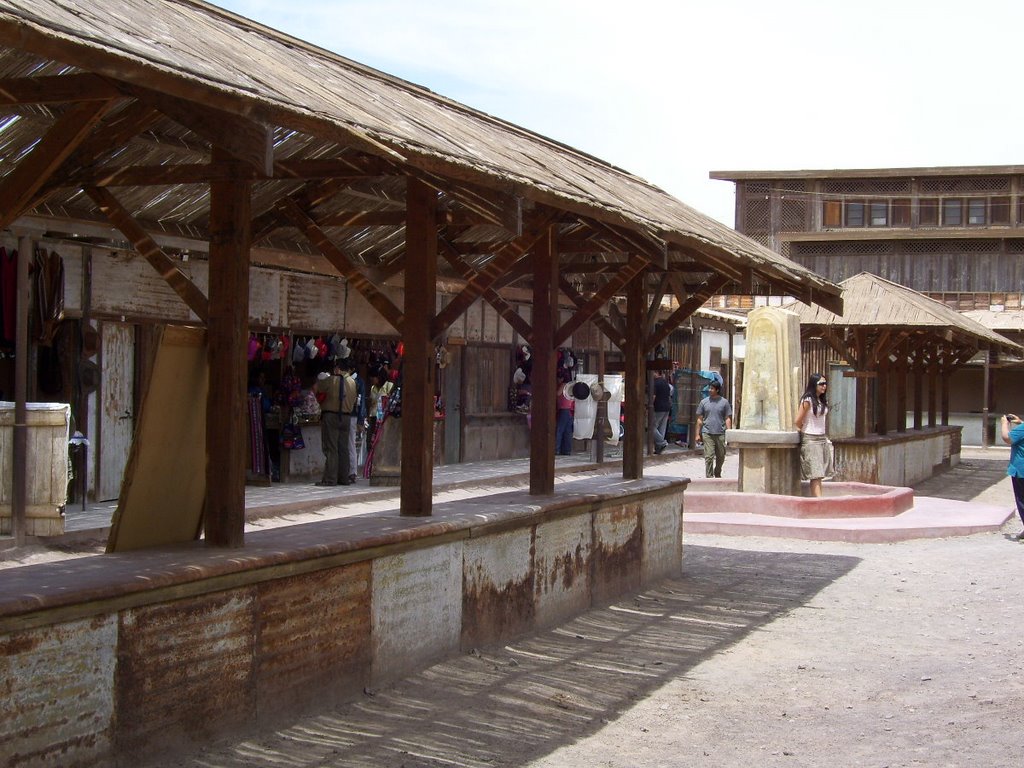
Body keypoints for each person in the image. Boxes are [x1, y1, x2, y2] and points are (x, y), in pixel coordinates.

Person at [794, 372, 834, 497]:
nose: (824, 386)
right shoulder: (807, 400)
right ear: (814, 384)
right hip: (810, 439)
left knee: (820, 473)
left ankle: (818, 499)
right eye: (821, 383)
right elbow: (797, 420)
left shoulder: (821, 400)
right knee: (815, 473)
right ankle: (818, 501)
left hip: (821, 438)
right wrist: (803, 430)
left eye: (825, 383)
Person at [312, 364, 347, 486]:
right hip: (346, 415)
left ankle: (330, 478)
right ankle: (343, 477)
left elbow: (316, 388)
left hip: (331, 415)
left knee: (331, 447)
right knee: (343, 448)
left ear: (338, 369)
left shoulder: (331, 380)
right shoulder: (352, 382)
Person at [695, 380, 732, 478]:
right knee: (709, 456)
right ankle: (709, 476)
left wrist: (729, 433)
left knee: (721, 456)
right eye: (709, 388)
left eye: (712, 388)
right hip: (707, 433)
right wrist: (697, 434)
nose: (709, 390)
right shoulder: (703, 402)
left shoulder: (724, 402)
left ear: (717, 390)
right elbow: (699, 419)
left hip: (720, 433)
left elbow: (727, 418)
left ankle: (717, 472)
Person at [1001, 412, 1024, 540]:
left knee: (1022, 500)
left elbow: (1007, 438)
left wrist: (1005, 424)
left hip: (1021, 470)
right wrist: (1020, 422)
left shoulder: (1022, 430)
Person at [652, 370, 672, 454]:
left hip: (658, 407)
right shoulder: (665, 383)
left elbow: (653, 396)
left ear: (657, 373)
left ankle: (662, 443)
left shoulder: (655, 383)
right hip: (667, 407)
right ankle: (659, 448)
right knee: (661, 428)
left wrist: (648, 406)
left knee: (651, 427)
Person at [555, 373, 574, 456]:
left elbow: (557, 394)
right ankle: (567, 450)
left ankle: (556, 449)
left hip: (564, 409)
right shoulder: (571, 385)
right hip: (570, 409)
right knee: (568, 431)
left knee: (559, 430)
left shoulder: (564, 385)